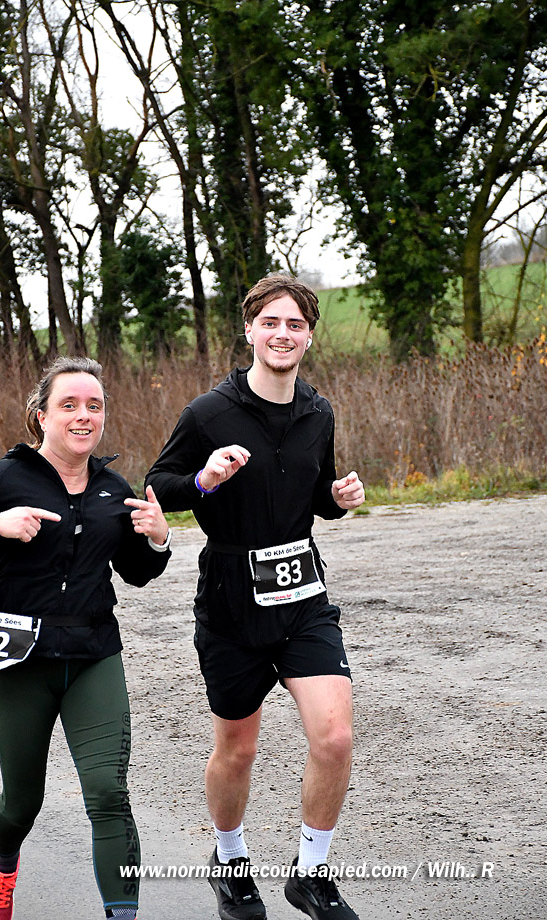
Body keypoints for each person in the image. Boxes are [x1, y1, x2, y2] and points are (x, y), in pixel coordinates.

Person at [146, 274, 365, 920]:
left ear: (309, 336)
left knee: (334, 737)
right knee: (237, 750)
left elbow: (316, 494)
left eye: (295, 324)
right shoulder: (208, 414)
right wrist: (205, 478)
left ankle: (312, 873)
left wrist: (338, 499)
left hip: (302, 597)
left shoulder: (318, 412)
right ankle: (230, 860)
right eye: (270, 322)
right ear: (249, 330)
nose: (282, 334)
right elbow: (160, 484)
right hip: (231, 602)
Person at [0, 356, 172, 920]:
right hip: (19, 658)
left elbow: (137, 571)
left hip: (94, 655)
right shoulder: (4, 479)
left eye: (94, 406)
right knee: (22, 803)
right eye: (69, 405)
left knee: (108, 792)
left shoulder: (113, 488)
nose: (83, 415)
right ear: (42, 415)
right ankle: (0, 864)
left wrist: (158, 540)